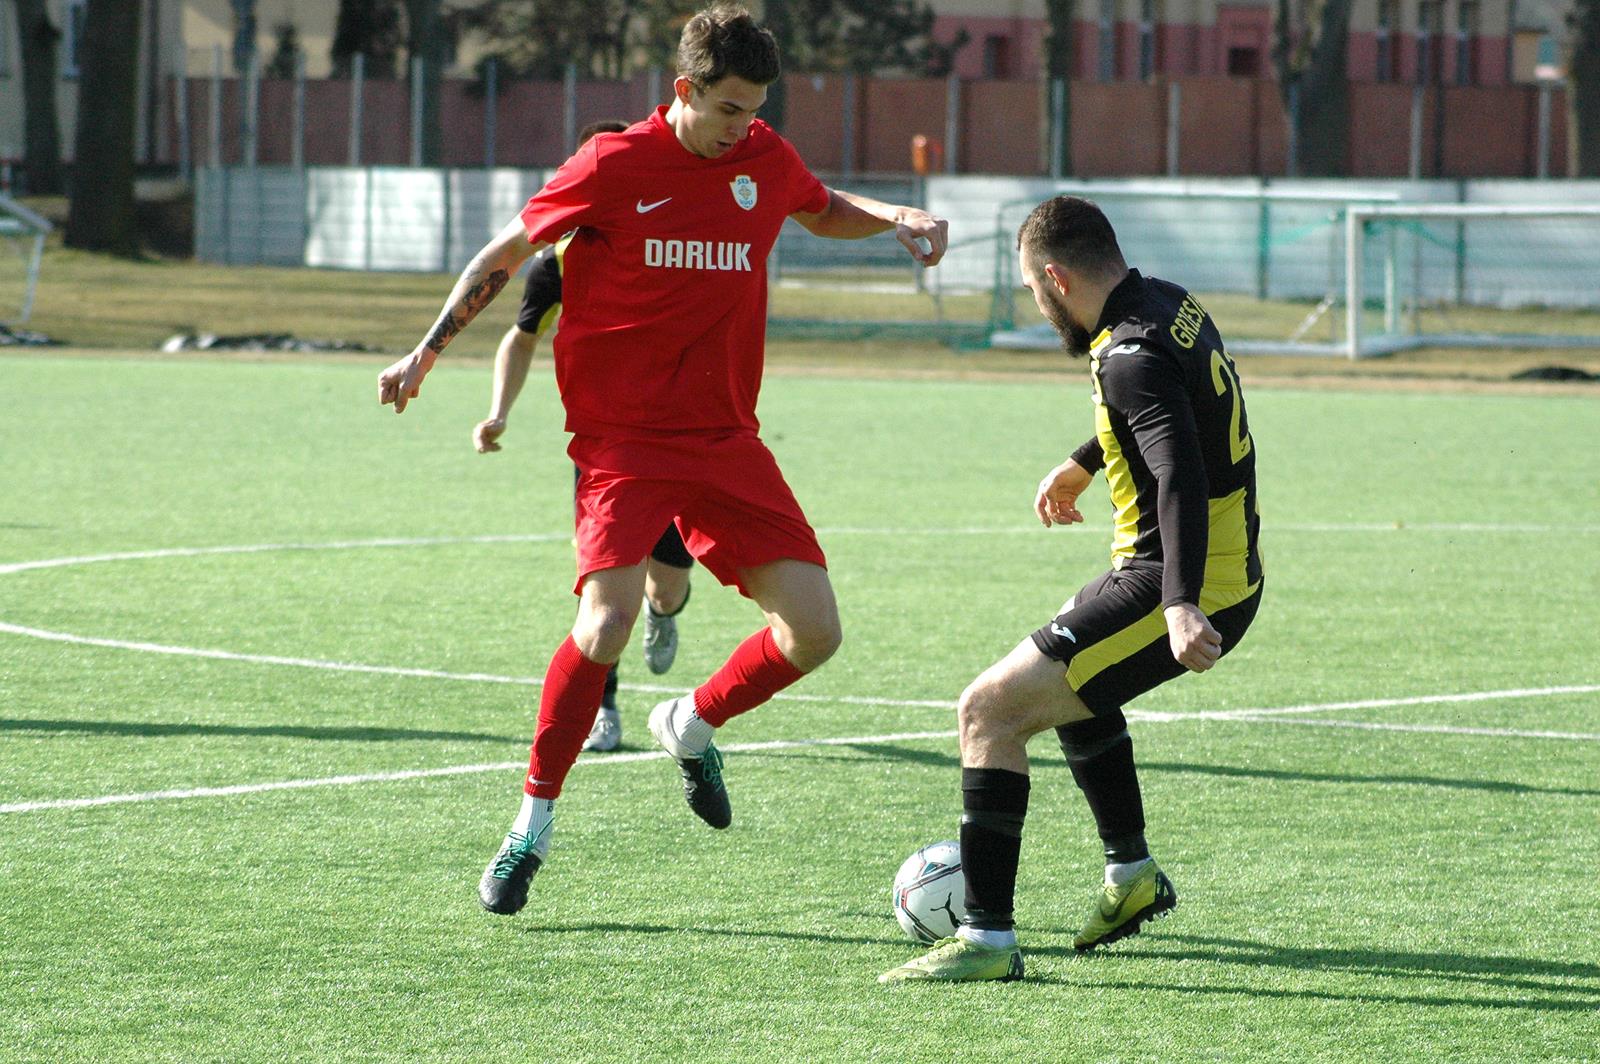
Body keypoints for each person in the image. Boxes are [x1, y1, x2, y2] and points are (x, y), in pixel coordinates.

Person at [376, 5, 949, 918]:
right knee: (605, 625)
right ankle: (531, 826)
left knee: (816, 632)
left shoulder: (762, 154)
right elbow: (506, 251)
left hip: (727, 440)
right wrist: (427, 352)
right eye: (728, 107)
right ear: (682, 91)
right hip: (624, 444)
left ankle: (690, 724)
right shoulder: (613, 165)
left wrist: (895, 215)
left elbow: (819, 205)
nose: (744, 125)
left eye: (756, 107)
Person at [880, 196, 1262, 983]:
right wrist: (1088, 457)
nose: (1035, 301)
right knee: (1069, 664)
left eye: (1030, 288)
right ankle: (1134, 878)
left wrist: (1181, 602)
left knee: (987, 709)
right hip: (1181, 568)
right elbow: (1169, 404)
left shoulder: (1128, 354)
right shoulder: (1166, 304)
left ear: (1055, 276)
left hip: (1184, 580)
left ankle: (987, 940)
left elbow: (1180, 475)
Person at [473, 119, 694, 754]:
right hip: (607, 446)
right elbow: (522, 337)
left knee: (667, 581)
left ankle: (666, 611)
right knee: (603, 589)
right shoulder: (559, 261)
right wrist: (499, 411)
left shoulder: (671, 243)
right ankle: (606, 709)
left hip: (682, 436)